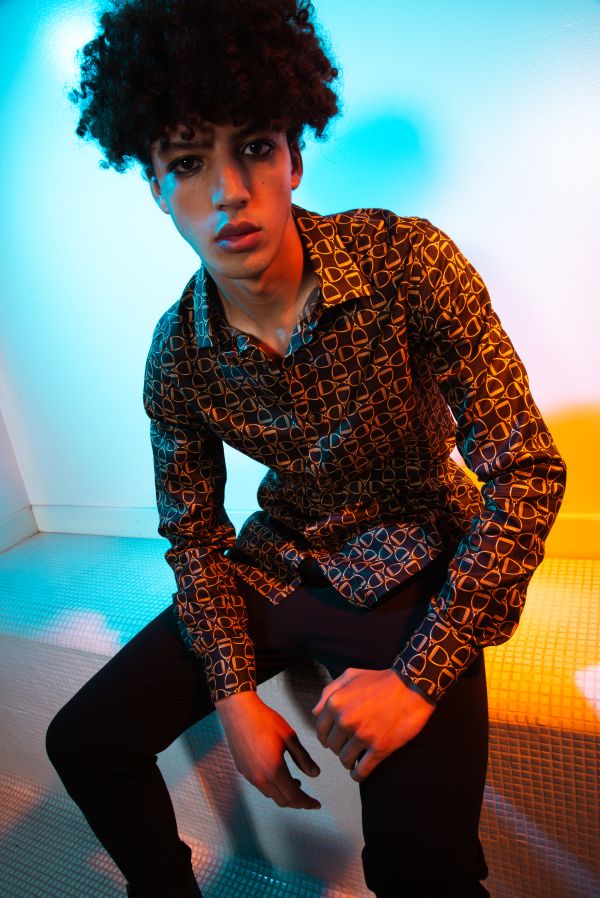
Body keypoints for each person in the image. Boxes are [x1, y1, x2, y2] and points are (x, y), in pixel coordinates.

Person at [45, 1, 567, 897]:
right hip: (282, 561)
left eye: (252, 147)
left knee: (422, 868)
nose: (226, 191)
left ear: (292, 157)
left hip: (414, 558)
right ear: (156, 188)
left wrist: (419, 677)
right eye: (186, 163)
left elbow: (526, 469)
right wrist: (232, 694)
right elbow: (194, 537)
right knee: (83, 741)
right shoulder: (177, 355)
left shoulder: (406, 261)